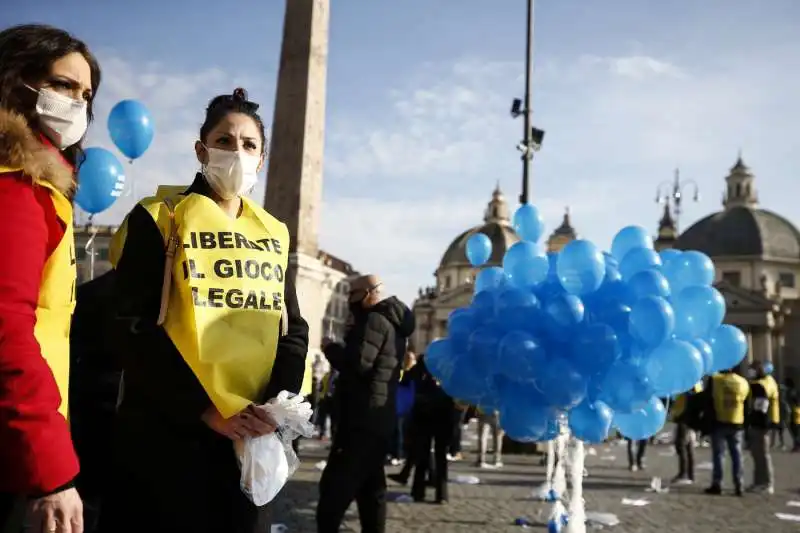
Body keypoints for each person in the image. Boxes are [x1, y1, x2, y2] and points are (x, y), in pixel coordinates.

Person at [97, 88, 309, 533]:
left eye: (249, 145)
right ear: (201, 149)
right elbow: (131, 325)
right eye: (225, 140)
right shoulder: (159, 217)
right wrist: (204, 409)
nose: (237, 152)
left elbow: (292, 326)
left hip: (248, 432)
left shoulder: (273, 231)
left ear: (262, 157)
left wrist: (277, 405)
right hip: (168, 429)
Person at [0, 24, 102, 533]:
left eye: (86, 94)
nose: (78, 103)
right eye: (64, 86)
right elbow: (7, 329)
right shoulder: (17, 188)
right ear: (19, 81)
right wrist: (52, 473)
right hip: (17, 453)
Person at [317, 275, 415, 533]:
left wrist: (330, 348)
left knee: (334, 489)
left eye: (352, 294)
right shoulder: (394, 324)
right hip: (379, 417)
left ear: (368, 293)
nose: (349, 300)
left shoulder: (374, 320)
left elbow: (357, 364)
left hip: (361, 417)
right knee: (372, 489)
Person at [409, 356, 455, 504]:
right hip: (443, 415)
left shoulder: (421, 367)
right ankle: (442, 494)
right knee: (441, 456)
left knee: (423, 454)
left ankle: (418, 491)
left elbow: (406, 379)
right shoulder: (448, 368)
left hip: (424, 414)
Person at [704, 366, 750, 497]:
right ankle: (739, 484)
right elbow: (747, 404)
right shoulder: (743, 382)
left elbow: (708, 400)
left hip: (719, 421)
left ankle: (717, 483)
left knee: (719, 455)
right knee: (737, 455)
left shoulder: (716, 380)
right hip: (737, 422)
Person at [746, 362, 779, 494]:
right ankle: (759, 482)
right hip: (768, 421)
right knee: (759, 454)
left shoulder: (760, 386)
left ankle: (765, 483)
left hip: (760, 424)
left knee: (761, 455)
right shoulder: (769, 381)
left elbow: (760, 407)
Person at [670, 381, 703, 485]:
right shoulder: (696, 383)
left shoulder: (690, 385)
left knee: (682, 446)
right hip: (689, 419)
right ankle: (690, 474)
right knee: (688, 447)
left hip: (685, 419)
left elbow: (689, 402)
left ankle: (684, 474)